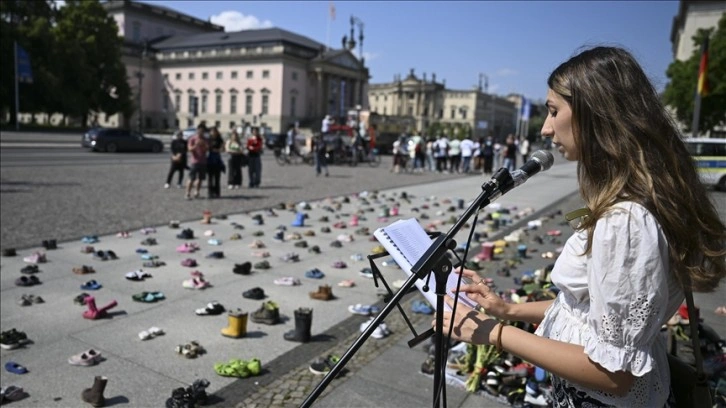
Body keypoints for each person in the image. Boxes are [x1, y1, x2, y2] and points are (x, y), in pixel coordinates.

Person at [436, 46, 726, 407]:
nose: (545, 128)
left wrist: (493, 333)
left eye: (554, 111)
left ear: (596, 113)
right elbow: (591, 316)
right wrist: (506, 309)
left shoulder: (627, 223)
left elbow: (614, 374)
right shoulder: (631, 204)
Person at [185, 124, 209, 200]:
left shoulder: (205, 139)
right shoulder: (192, 138)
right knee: (191, 178)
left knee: (200, 178)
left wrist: (204, 145)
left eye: (202, 131)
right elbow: (189, 149)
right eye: (199, 130)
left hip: (203, 161)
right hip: (194, 161)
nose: (200, 132)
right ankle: (187, 193)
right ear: (197, 130)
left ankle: (197, 192)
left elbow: (207, 150)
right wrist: (196, 144)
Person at [206, 127, 225, 199]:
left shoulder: (219, 139)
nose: (213, 133)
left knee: (217, 178)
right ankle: (210, 192)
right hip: (210, 159)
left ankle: (217, 193)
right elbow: (206, 147)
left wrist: (218, 150)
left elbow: (223, 148)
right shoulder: (208, 139)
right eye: (212, 131)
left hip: (217, 159)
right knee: (210, 177)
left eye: (214, 131)